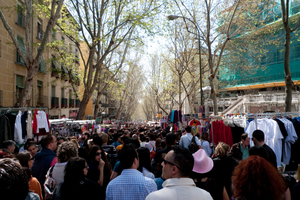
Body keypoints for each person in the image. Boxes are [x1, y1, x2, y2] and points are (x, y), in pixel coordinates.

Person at [145, 146, 213, 200]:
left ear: (174, 169)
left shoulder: (153, 197)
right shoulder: (206, 196)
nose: (162, 164)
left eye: (165, 162)